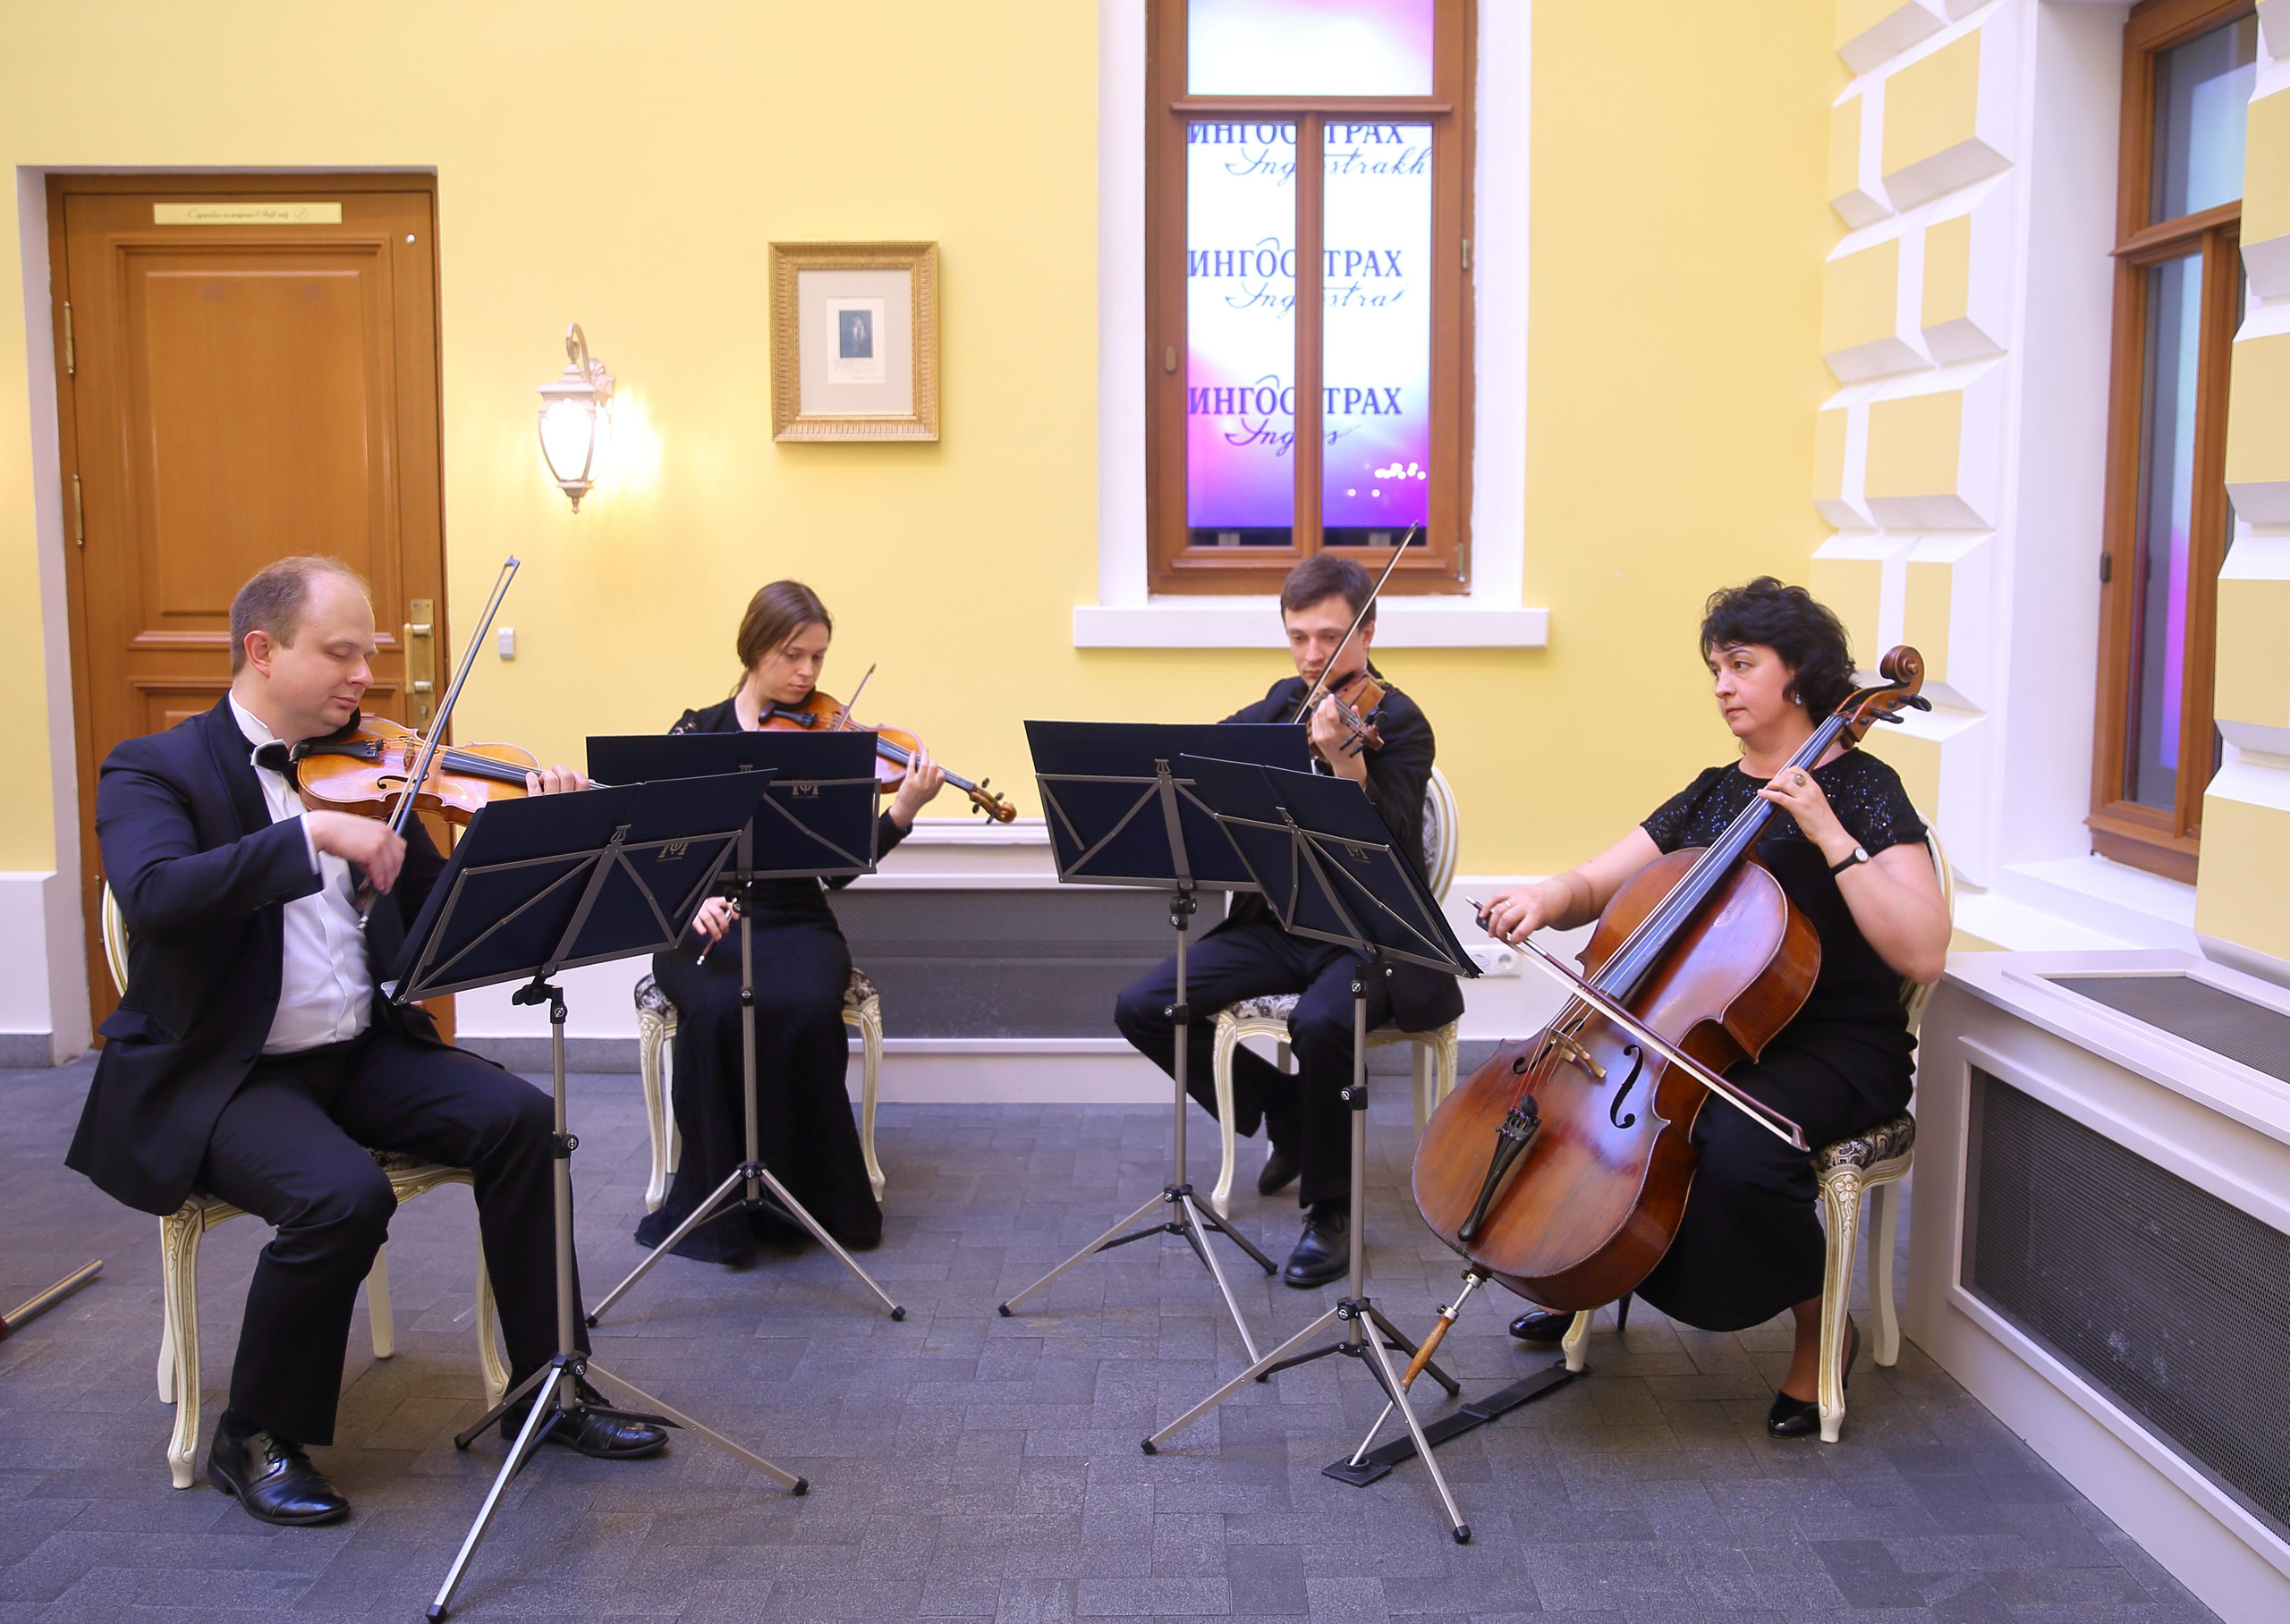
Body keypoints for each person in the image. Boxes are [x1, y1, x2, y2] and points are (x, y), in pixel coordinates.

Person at [66, 556, 666, 1529]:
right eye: (340, 653)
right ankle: (254, 1434)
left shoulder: (373, 767)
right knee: (338, 1195)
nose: (365, 677)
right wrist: (309, 838)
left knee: (521, 1119)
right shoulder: (154, 768)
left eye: (370, 654)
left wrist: (540, 834)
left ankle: (545, 1389)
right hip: (225, 1073)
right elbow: (156, 896)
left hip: (357, 1050)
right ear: (262, 651)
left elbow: (442, 918)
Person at [1474, 577, 1949, 1436]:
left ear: (1798, 675)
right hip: (1713, 1036)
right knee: (1577, 1117)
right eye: (1715, 669)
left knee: (1739, 1145)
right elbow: (1599, 882)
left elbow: (1922, 949)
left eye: (1742, 665)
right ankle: (1587, 1266)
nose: (1723, 685)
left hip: (1835, 1046)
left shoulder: (1867, 789)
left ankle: (1820, 1325)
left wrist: (1830, 837)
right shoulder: (1710, 792)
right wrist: (1545, 898)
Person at [1113, 553, 1463, 1288]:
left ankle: (1332, 1215)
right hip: (1279, 925)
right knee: (1146, 1006)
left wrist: (1347, 767)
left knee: (1324, 1025)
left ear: (1367, 631)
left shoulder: (1399, 721)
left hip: (1369, 934)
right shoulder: (1282, 703)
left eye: (1330, 637)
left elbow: (1395, 844)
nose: (1312, 656)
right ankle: (1288, 1114)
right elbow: (1201, 760)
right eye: (1298, 636)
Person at [637, 580, 945, 1265]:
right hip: (704, 918)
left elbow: (833, 872)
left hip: (795, 918)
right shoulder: (696, 735)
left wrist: (901, 813)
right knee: (718, 1009)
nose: (807, 673)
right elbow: (658, 852)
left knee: (804, 1006)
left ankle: (801, 1194)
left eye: (818, 658)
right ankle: (719, 1203)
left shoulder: (829, 742)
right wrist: (689, 901)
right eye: (793, 655)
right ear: (753, 650)